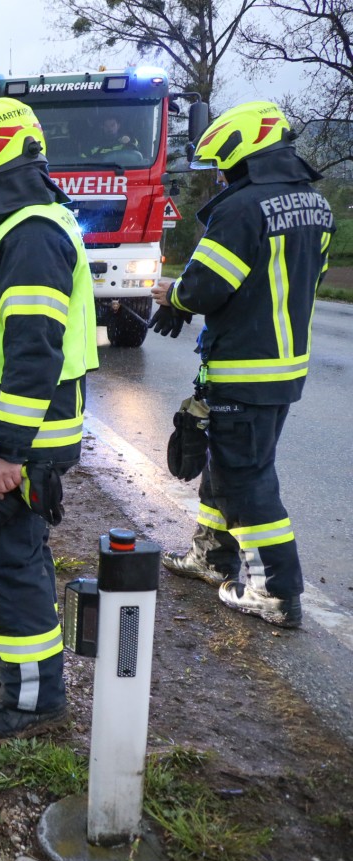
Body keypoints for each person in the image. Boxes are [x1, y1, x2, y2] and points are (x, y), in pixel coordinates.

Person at [0, 97, 98, 744]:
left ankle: (34, 699)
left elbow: (34, 353)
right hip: (16, 435)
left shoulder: (29, 236)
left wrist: (7, 451)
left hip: (20, 440)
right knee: (15, 557)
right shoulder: (23, 229)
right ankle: (17, 667)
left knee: (8, 561)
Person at [150, 101, 334, 629]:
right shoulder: (315, 205)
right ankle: (212, 557)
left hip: (242, 365)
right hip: (284, 367)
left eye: (223, 165)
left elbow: (207, 285)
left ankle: (275, 592)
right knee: (227, 466)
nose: (223, 176)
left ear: (242, 154)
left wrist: (173, 296)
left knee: (247, 481)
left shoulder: (241, 208)